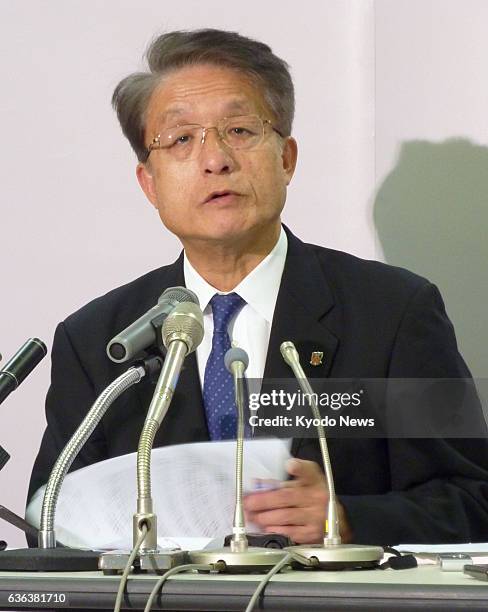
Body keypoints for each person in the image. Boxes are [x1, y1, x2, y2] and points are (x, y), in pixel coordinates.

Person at [27, 29, 488, 546]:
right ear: (150, 184)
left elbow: (474, 499)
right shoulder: (99, 341)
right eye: (181, 139)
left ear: (286, 158)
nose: (215, 159)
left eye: (240, 130)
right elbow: (52, 524)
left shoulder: (393, 313)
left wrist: (347, 517)